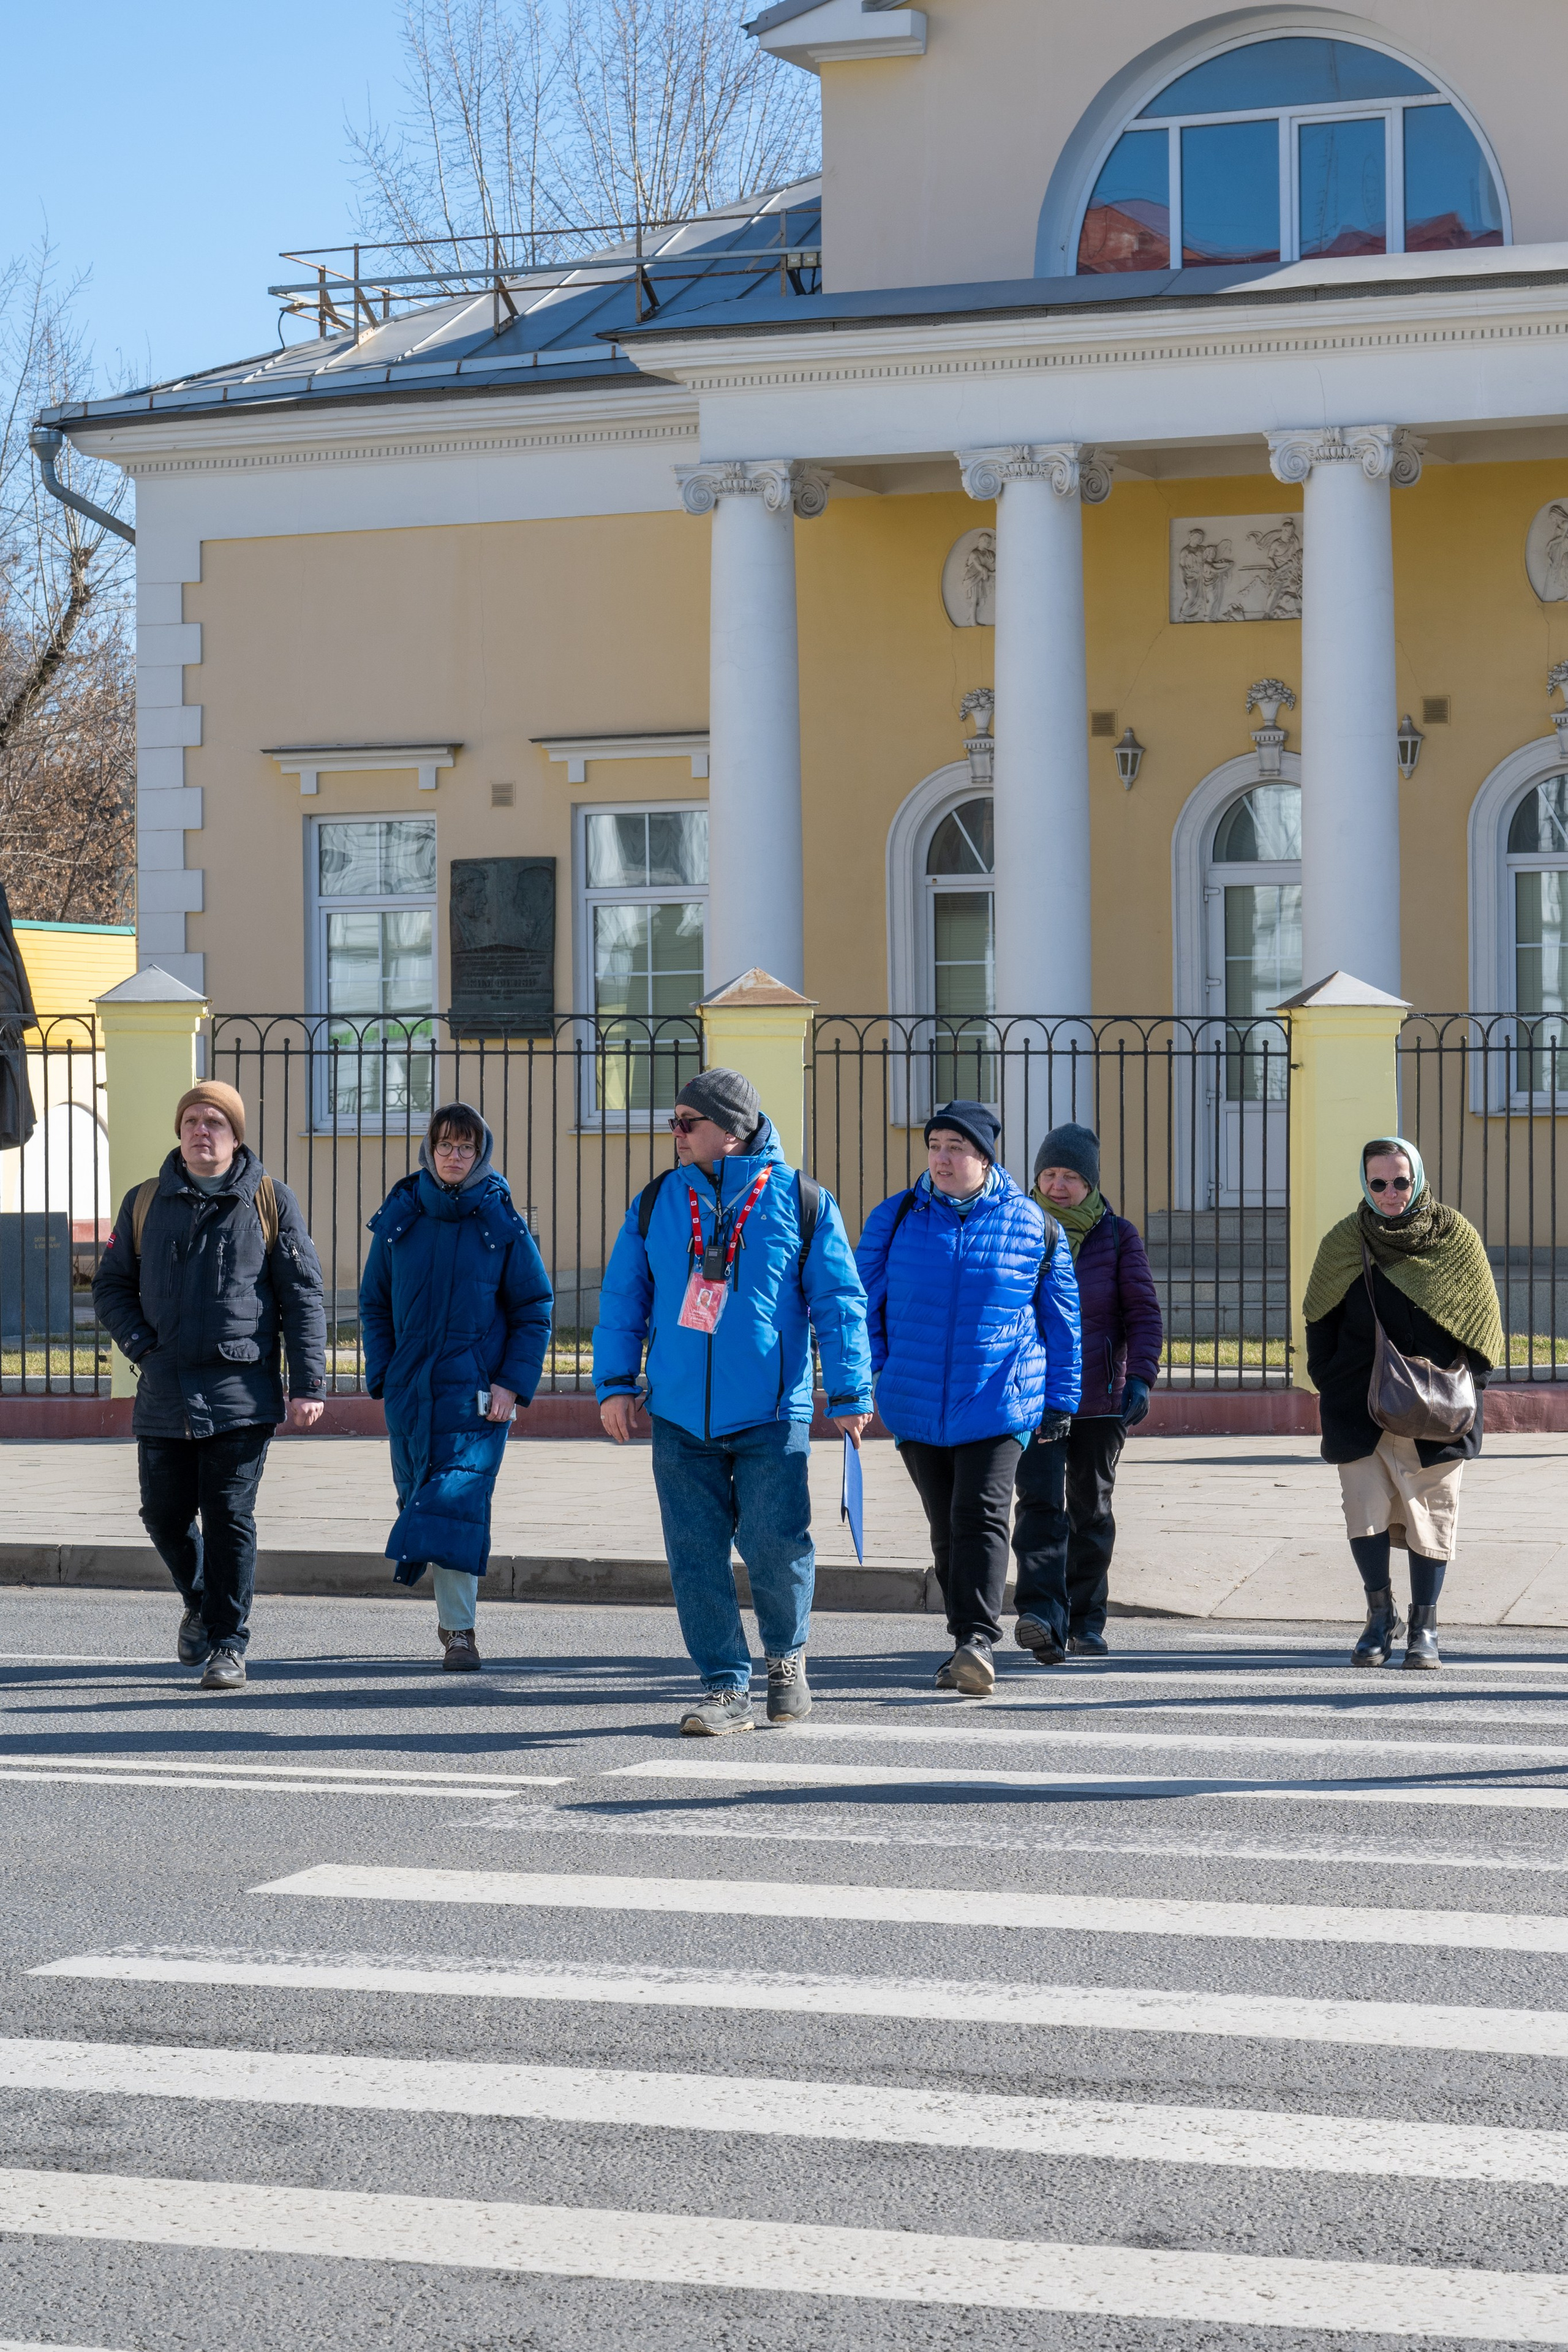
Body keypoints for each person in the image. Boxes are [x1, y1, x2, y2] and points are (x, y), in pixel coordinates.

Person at [594, 1067, 872, 1735]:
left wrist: (850, 1390)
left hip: (771, 1414)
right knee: (695, 1555)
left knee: (776, 1546)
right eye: (674, 1121)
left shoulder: (801, 1200)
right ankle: (724, 1685)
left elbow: (839, 1301)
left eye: (687, 1122)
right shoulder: (657, 1200)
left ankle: (786, 1662)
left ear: (730, 1130)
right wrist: (615, 1385)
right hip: (678, 1413)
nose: (674, 1132)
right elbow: (624, 1298)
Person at [92, 1080, 326, 1691]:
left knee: (228, 1516)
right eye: (193, 1120)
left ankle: (228, 1643)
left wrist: (308, 1383)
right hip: (165, 1389)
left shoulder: (269, 1200)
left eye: (216, 1122)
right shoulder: (145, 1201)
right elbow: (110, 1286)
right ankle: (199, 1601)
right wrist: (143, 1345)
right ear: (179, 1132)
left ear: (236, 1137)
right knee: (163, 1515)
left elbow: (302, 1297)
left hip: (240, 1391)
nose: (202, 1130)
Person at [856, 1100, 1081, 1694]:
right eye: (935, 1147)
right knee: (945, 1526)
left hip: (999, 1398)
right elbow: (862, 1304)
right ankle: (963, 1639)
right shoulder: (895, 1218)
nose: (941, 1159)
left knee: (979, 1515)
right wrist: (878, 1369)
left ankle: (977, 1641)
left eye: (955, 1148)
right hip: (915, 1400)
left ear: (984, 1158)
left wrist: (1062, 1400)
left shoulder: (1033, 1225)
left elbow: (1061, 1322)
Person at [360, 1102, 552, 1672]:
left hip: (476, 1398)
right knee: (419, 1499)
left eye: (466, 1147)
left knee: (456, 1504)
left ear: (480, 1154)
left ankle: (460, 1633)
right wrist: (386, 1373)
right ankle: (450, 1615)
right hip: (411, 1393)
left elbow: (534, 1308)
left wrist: (511, 1385)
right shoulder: (401, 1217)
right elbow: (374, 1303)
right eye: (445, 1144)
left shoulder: (500, 1221)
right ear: (430, 1148)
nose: (454, 1156)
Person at [1303, 1136, 1503, 1670]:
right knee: (1364, 1511)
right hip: (1359, 1406)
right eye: (1379, 1183)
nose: (1390, 1193)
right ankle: (1378, 1617)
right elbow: (1319, 1319)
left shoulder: (1455, 1237)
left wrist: (1469, 1386)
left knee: (1431, 1517)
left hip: (1437, 1409)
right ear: (1365, 1184)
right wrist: (1330, 1379)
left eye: (1400, 1181)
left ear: (1417, 1180)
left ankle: (1425, 1626)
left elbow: (1484, 1323)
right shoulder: (1344, 1241)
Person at [1011, 1121, 1164, 1661]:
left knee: (1090, 1511)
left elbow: (1143, 1313)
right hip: (1034, 1397)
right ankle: (1042, 1618)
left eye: (1070, 1177)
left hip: (1099, 1400)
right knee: (1039, 1505)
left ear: (1090, 1183)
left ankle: (1086, 1621)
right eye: (1049, 1174)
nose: (1057, 1185)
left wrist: (1140, 1376)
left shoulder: (1117, 1236)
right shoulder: (1016, 1227)